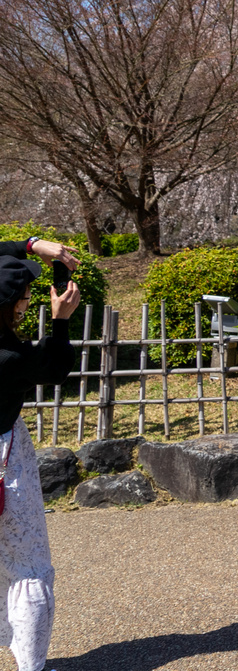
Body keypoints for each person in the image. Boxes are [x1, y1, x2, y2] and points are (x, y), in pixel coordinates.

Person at [0, 248, 83, 671]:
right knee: (28, 563)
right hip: (6, 462)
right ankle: (30, 663)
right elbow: (54, 369)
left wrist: (31, 245)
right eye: (26, 295)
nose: (29, 299)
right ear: (12, 304)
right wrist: (61, 320)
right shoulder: (13, 358)